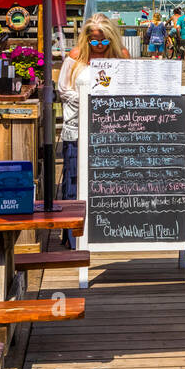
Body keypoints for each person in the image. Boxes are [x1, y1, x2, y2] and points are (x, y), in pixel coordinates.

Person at [56, 13, 129, 246]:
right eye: (94, 41)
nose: (98, 46)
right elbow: (63, 89)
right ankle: (73, 236)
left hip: (110, 132)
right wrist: (86, 99)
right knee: (74, 181)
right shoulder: (75, 57)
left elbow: (130, 88)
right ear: (86, 39)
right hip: (77, 128)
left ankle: (105, 233)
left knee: (109, 183)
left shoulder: (121, 57)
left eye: (103, 41)